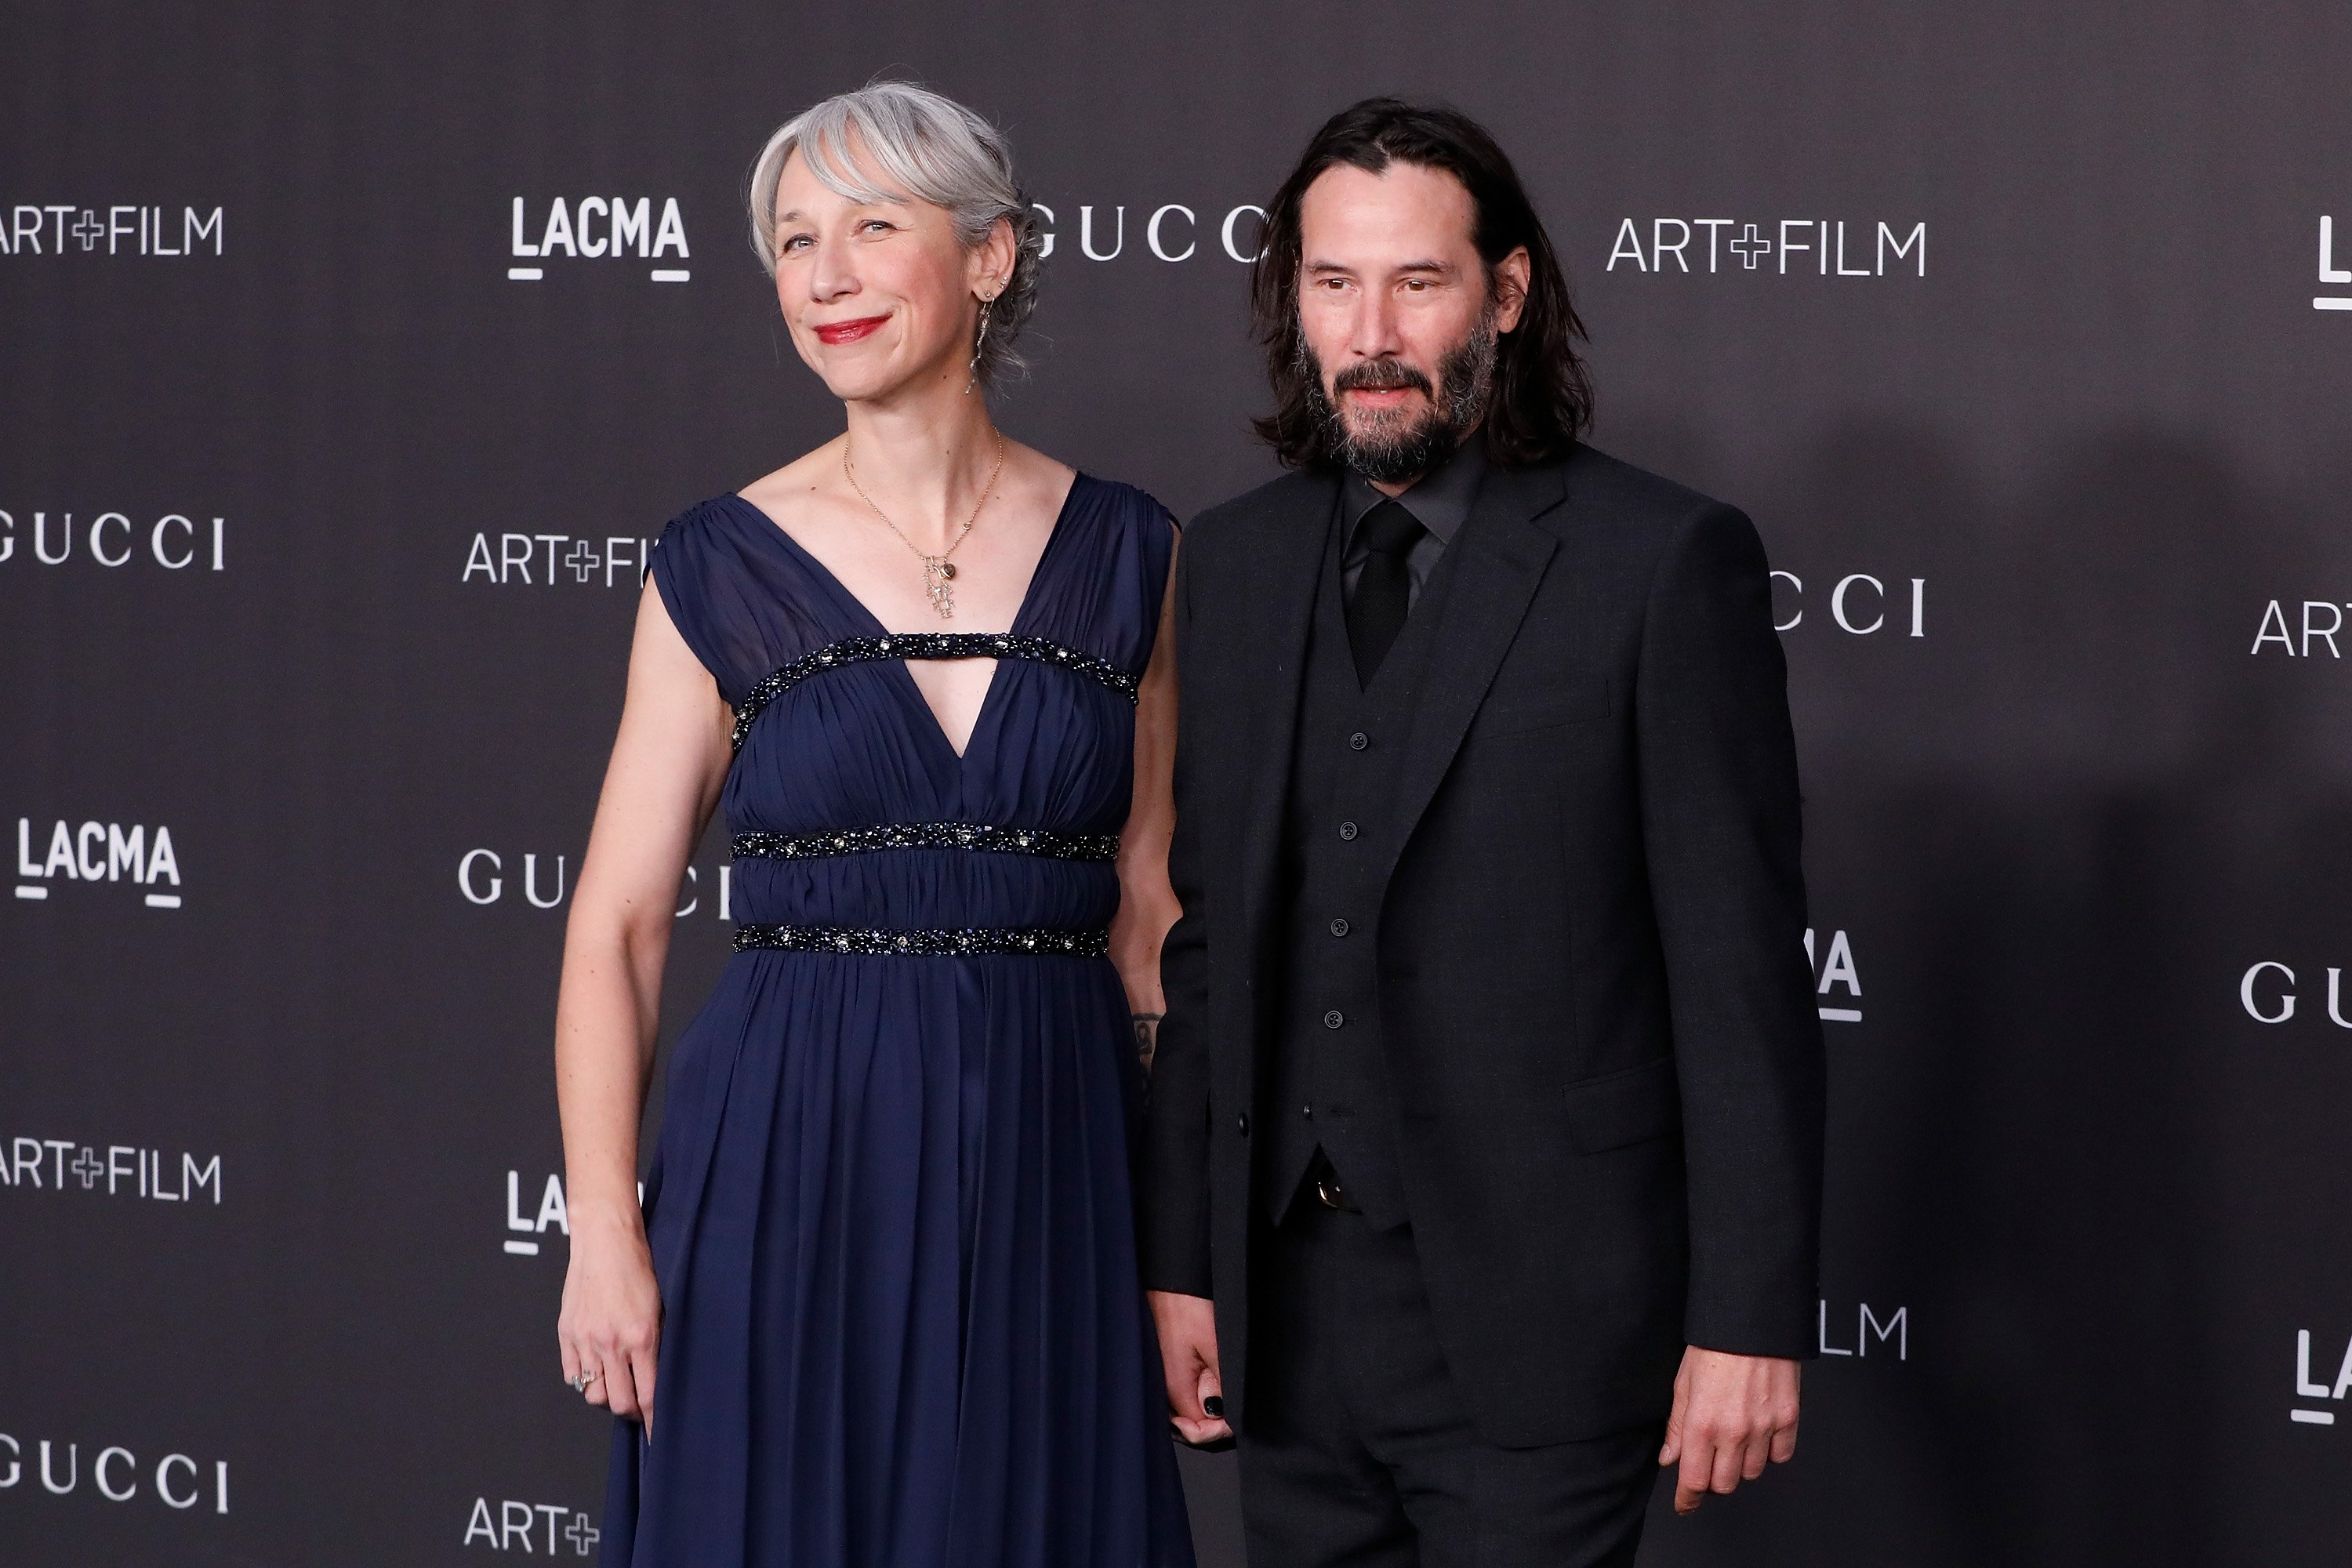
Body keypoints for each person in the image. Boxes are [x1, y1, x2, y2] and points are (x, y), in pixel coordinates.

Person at [1141, 97, 1827, 1566]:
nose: (1370, 330)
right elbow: (1214, 949)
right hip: (1290, 1319)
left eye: (1417, 282)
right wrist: (1186, 1265)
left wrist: (1749, 1319)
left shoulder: (1659, 562)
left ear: (1506, 296)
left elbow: (1739, 971)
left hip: (1550, 1320)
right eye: (1333, 284)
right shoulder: (1239, 563)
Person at [550, 82, 1192, 1567]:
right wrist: (604, 1233)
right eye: (792, 241)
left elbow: (1151, 911)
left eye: (871, 227)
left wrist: (1181, 1254)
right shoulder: (717, 560)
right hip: (788, 1150)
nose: (825, 276)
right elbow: (620, 924)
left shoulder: (1133, 550)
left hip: (1056, 1152)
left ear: (989, 257)